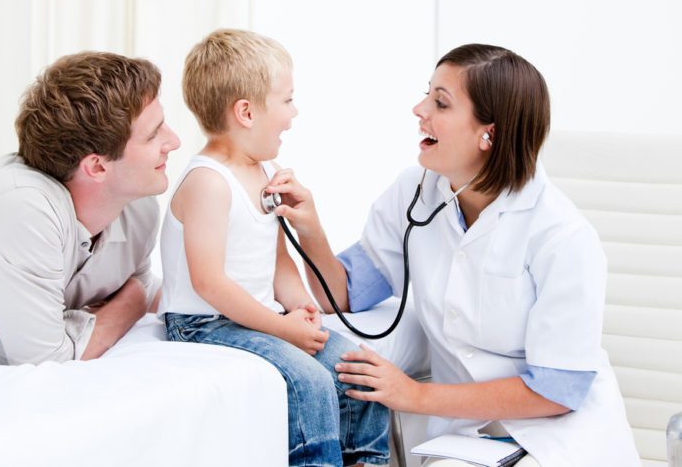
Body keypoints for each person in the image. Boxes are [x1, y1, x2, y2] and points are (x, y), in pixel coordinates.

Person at [265, 44, 641, 466]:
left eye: (440, 102)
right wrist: (311, 228)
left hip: (559, 438)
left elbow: (559, 390)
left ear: (489, 134)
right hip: (464, 437)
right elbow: (345, 294)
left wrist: (414, 394)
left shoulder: (560, 234)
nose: (419, 108)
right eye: (428, 94)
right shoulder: (417, 191)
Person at [158, 29, 389, 467]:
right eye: (286, 100)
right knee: (310, 382)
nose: (294, 112)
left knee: (361, 368)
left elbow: (279, 259)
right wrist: (282, 329)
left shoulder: (267, 171)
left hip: (253, 317)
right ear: (246, 112)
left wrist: (302, 309)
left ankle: (368, 460)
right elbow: (209, 283)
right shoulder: (208, 182)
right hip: (203, 323)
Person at [0, 51, 180, 365]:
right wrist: (132, 305)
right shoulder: (22, 212)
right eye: (153, 135)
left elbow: (139, 284)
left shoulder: (138, 205)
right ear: (96, 167)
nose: (174, 141)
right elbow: (45, 359)